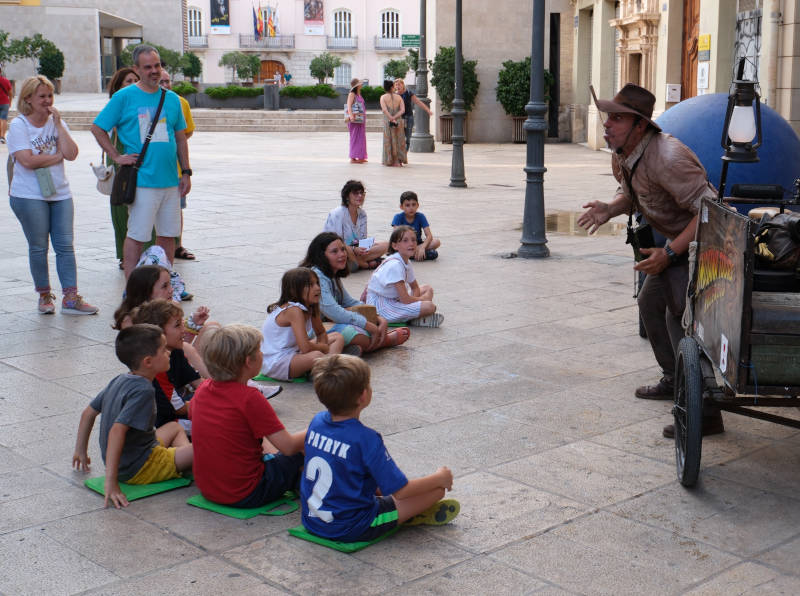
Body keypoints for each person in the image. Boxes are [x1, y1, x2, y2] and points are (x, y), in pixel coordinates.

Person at [576, 83, 723, 439]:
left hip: (707, 245)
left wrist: (671, 253)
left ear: (640, 125)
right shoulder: (622, 152)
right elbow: (632, 192)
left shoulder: (668, 158)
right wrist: (610, 208)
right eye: (608, 117)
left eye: (617, 119)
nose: (607, 125)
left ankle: (706, 412)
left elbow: (712, 212)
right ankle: (675, 381)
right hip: (676, 244)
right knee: (649, 301)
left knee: (681, 319)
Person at [300, 354, 459, 543]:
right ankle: (405, 517)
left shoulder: (317, 421)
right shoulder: (366, 438)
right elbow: (402, 491)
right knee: (436, 491)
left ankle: (397, 512)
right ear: (364, 395)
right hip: (352, 527)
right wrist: (440, 477)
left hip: (312, 521)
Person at [91, 44, 192, 280]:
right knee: (137, 235)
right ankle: (131, 287)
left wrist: (186, 171)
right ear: (137, 69)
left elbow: (179, 138)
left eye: (157, 66)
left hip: (170, 180)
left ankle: (165, 283)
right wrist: (116, 157)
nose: (154, 71)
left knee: (168, 236)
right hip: (142, 180)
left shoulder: (172, 99)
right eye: (148, 67)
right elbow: (98, 128)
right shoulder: (124, 97)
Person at [72, 324, 193, 509]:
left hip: (130, 458)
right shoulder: (144, 390)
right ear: (148, 362)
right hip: (140, 467)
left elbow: (88, 413)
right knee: (204, 448)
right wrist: (111, 482)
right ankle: (184, 462)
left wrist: (80, 450)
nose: (168, 352)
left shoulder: (120, 379)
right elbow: (117, 431)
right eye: (163, 350)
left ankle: (182, 462)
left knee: (174, 427)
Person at [7, 75, 99, 315]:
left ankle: (70, 297)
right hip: (29, 195)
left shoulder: (56, 122)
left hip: (59, 194)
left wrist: (58, 125)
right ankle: (44, 294)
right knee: (38, 247)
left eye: (50, 96)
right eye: (42, 96)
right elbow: (27, 160)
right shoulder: (19, 125)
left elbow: (72, 153)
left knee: (65, 245)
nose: (48, 101)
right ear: (28, 98)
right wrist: (56, 156)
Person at [190, 324, 306, 507]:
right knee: (308, 445)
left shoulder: (202, 390)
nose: (263, 354)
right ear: (247, 361)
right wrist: (317, 428)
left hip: (209, 488)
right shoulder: (250, 398)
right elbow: (289, 447)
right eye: (259, 350)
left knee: (266, 442)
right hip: (247, 492)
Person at [300, 232, 411, 353]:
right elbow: (334, 312)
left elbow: (349, 302)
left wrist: (378, 317)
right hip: (310, 335)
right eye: (334, 251)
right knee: (351, 330)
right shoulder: (316, 277)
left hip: (325, 326)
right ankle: (385, 341)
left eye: (343, 249)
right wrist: (369, 325)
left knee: (361, 325)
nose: (342, 254)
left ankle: (350, 348)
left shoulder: (331, 274)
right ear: (321, 256)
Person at [112, 264, 218, 380]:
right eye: (164, 286)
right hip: (158, 367)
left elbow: (178, 341)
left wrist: (194, 324)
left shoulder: (171, 306)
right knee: (187, 348)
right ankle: (215, 383)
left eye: (170, 284)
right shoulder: (130, 321)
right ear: (146, 290)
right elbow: (163, 350)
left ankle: (212, 378)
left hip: (177, 357)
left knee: (211, 326)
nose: (171, 290)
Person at [261, 267, 346, 380]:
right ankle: (329, 370)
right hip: (276, 361)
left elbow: (321, 333)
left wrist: (322, 346)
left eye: (317, 283)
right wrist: (323, 348)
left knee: (337, 337)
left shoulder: (310, 306)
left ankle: (323, 368)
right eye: (310, 285)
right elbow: (305, 347)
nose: (317, 288)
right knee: (317, 356)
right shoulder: (293, 310)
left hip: (294, 352)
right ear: (294, 290)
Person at [130, 299, 202, 432]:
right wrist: (214, 405)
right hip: (167, 424)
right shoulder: (157, 367)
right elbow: (179, 409)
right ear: (159, 333)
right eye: (178, 325)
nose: (184, 330)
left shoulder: (176, 350)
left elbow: (197, 382)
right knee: (220, 421)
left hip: (180, 408)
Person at [105, 67, 144, 271]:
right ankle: (124, 255)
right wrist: (116, 157)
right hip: (122, 162)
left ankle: (147, 253)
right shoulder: (117, 105)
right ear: (118, 86)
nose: (132, 84)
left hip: (142, 162)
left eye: (135, 81)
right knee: (121, 209)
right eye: (128, 81)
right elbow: (100, 129)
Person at [366, 226, 443, 327]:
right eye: (405, 241)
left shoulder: (406, 262)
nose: (411, 243)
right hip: (381, 306)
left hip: (396, 299)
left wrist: (416, 301)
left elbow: (414, 287)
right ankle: (415, 319)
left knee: (428, 289)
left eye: (414, 240)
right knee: (429, 306)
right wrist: (422, 300)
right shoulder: (395, 265)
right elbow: (405, 300)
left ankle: (415, 317)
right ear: (395, 246)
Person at [159, 66, 196, 262]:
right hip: (154, 169)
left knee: (176, 209)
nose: (165, 85)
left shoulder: (180, 102)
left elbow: (187, 132)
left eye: (167, 81)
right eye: (161, 82)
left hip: (175, 168)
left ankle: (177, 245)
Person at [323, 179, 389, 271]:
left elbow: (362, 240)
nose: (360, 196)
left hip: (354, 252)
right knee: (345, 249)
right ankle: (364, 264)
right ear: (347, 196)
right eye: (355, 193)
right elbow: (335, 242)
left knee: (386, 245)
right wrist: (353, 249)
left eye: (362, 193)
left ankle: (358, 262)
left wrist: (359, 248)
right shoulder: (338, 213)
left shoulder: (362, 214)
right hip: (338, 250)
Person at [391, 190, 441, 261]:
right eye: (407, 205)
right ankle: (416, 254)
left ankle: (410, 254)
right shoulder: (398, 217)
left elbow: (429, 236)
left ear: (418, 205)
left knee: (436, 242)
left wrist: (422, 247)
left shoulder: (421, 216)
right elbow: (396, 237)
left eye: (413, 204)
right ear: (401, 207)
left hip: (417, 244)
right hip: (404, 245)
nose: (411, 208)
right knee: (390, 246)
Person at [394, 79, 432, 152]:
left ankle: (404, 155)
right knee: (399, 138)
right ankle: (400, 155)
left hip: (408, 118)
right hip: (399, 118)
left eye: (399, 84)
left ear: (403, 85)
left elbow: (418, 102)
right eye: (396, 85)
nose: (397, 86)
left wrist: (427, 110)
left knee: (407, 138)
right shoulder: (394, 95)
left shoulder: (408, 93)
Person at [380, 79, 406, 167]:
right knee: (399, 140)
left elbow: (384, 110)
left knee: (389, 140)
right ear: (392, 87)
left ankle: (389, 160)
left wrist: (391, 118)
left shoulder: (383, 97)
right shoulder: (399, 97)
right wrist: (395, 118)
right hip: (398, 121)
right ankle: (398, 161)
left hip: (388, 121)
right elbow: (403, 110)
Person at [346, 78, 367, 164]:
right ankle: (353, 157)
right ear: (357, 85)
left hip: (360, 119)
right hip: (354, 119)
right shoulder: (352, 94)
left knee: (361, 138)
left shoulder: (359, 94)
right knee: (355, 138)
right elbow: (349, 105)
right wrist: (351, 116)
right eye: (360, 83)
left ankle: (360, 156)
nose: (361, 84)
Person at [0, 64, 12, 143]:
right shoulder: (6, 81)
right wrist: (10, 102)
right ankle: (2, 137)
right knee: (3, 119)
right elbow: (10, 93)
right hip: (5, 103)